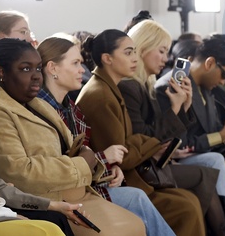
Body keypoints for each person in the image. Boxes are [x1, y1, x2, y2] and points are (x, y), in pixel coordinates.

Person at [0, 38, 146, 236]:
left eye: (38, 68)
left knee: (137, 222)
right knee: (126, 222)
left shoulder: (39, 104)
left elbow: (75, 148)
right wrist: (83, 162)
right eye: (26, 69)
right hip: (49, 198)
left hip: (79, 192)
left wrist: (92, 161)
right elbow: (18, 172)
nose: (36, 76)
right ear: (1, 73)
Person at [36, 34, 177, 235]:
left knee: (173, 199)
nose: (82, 70)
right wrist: (105, 158)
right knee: (149, 201)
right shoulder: (43, 110)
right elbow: (57, 165)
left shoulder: (71, 108)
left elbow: (84, 156)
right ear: (53, 68)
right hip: (64, 194)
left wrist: (107, 168)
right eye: (75, 63)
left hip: (87, 187)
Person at [75, 30, 206, 236]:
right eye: (128, 53)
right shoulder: (101, 95)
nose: (135, 58)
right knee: (185, 207)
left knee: (188, 202)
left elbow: (127, 146)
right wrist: (151, 143)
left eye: (135, 52)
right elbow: (121, 156)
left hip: (130, 173)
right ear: (107, 58)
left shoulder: (109, 88)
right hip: (117, 180)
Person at [118, 20, 225, 236]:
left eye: (167, 52)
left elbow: (165, 135)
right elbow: (145, 137)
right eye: (162, 51)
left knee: (204, 186)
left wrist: (183, 106)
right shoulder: (134, 87)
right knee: (204, 179)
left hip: (159, 160)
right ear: (143, 47)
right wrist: (177, 108)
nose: (166, 59)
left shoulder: (147, 84)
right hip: (142, 168)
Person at [154, 37, 225, 236]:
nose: (224, 82)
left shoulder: (206, 87)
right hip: (181, 161)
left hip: (207, 154)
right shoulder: (172, 86)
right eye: (224, 74)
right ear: (209, 63)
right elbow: (180, 144)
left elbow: (216, 128)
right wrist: (223, 135)